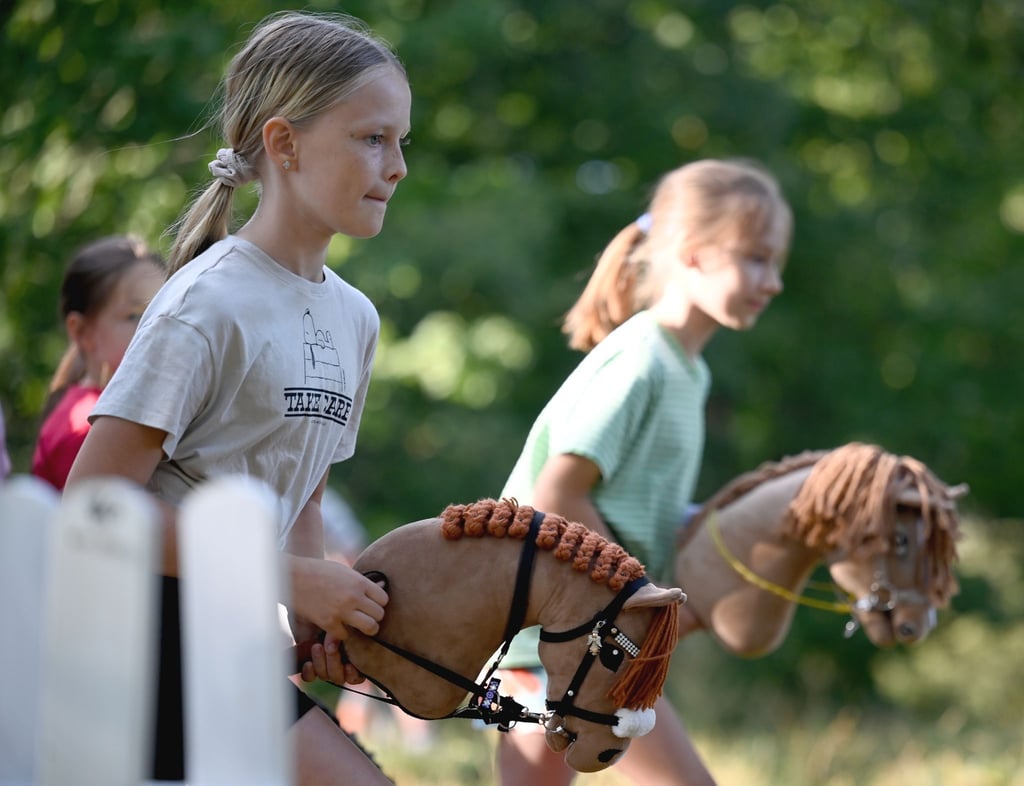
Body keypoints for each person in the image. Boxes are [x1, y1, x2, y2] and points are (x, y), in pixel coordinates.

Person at [65, 11, 411, 785]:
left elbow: (305, 497)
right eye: (371, 138)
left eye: (401, 142)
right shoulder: (207, 303)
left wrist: (307, 614)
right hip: (136, 645)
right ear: (284, 143)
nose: (396, 167)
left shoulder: (356, 316)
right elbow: (94, 503)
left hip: (229, 641)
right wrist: (288, 580)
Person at [494, 158, 793, 786]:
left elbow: (633, 506)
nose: (774, 282)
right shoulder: (642, 361)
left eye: (777, 263)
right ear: (692, 254)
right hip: (546, 641)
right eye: (757, 259)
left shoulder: (689, 369)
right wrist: (640, 591)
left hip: (595, 643)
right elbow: (558, 491)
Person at [31, 235, 165, 491]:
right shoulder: (85, 428)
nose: (155, 326)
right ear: (81, 331)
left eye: (163, 310)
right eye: (135, 315)